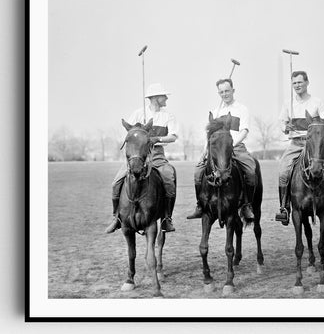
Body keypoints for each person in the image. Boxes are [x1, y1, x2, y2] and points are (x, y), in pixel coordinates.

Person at [105, 83, 178, 234]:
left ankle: (166, 219)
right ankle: (116, 217)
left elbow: (173, 136)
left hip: (157, 155)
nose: (166, 98)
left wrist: (156, 138)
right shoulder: (138, 113)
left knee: (169, 178)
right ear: (155, 98)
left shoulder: (168, 116)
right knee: (116, 183)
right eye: (163, 96)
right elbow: (127, 134)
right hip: (137, 157)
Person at [275, 70, 324, 225]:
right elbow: (281, 123)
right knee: (283, 171)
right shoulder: (288, 103)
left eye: (300, 82)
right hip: (296, 144)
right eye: (294, 83)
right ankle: (284, 208)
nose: (297, 85)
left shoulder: (317, 102)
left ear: (307, 83)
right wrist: (286, 126)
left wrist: (317, 124)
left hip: (316, 145)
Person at [186, 78, 256, 221]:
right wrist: (205, 151)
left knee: (250, 170)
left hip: (237, 146)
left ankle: (246, 205)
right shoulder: (216, 111)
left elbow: (245, 131)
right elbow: (210, 136)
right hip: (217, 150)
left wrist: (232, 144)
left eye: (227, 91)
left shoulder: (242, 109)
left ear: (233, 91)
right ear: (219, 93)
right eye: (222, 92)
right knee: (198, 171)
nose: (225, 94)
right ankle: (200, 205)